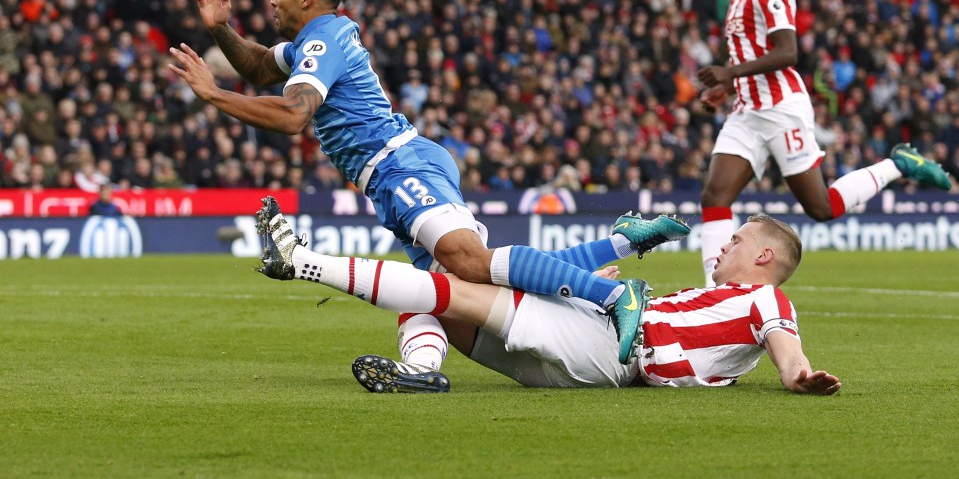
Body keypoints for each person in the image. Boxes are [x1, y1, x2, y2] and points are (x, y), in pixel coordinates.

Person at [167, 0, 691, 377]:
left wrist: (214, 94)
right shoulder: (314, 41)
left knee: (467, 262)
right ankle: (618, 245)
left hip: (400, 163)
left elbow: (293, 115)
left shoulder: (323, 40)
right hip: (391, 175)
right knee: (449, 293)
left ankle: (614, 293)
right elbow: (259, 64)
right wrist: (221, 30)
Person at [256, 198, 840, 396]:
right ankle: (423, 370)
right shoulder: (711, 298)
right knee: (444, 293)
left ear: (764, 257)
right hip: (604, 360)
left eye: (735, 241)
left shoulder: (765, 302)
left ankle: (303, 262)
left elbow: (787, 350)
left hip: (613, 347)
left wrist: (801, 376)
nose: (723, 247)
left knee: (456, 284)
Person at [697, 0, 952, 287]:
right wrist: (728, 87)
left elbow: (788, 52)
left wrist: (729, 72)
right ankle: (714, 291)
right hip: (747, 110)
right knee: (715, 194)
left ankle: (897, 164)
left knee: (821, 207)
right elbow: (751, 51)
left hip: (782, 109)